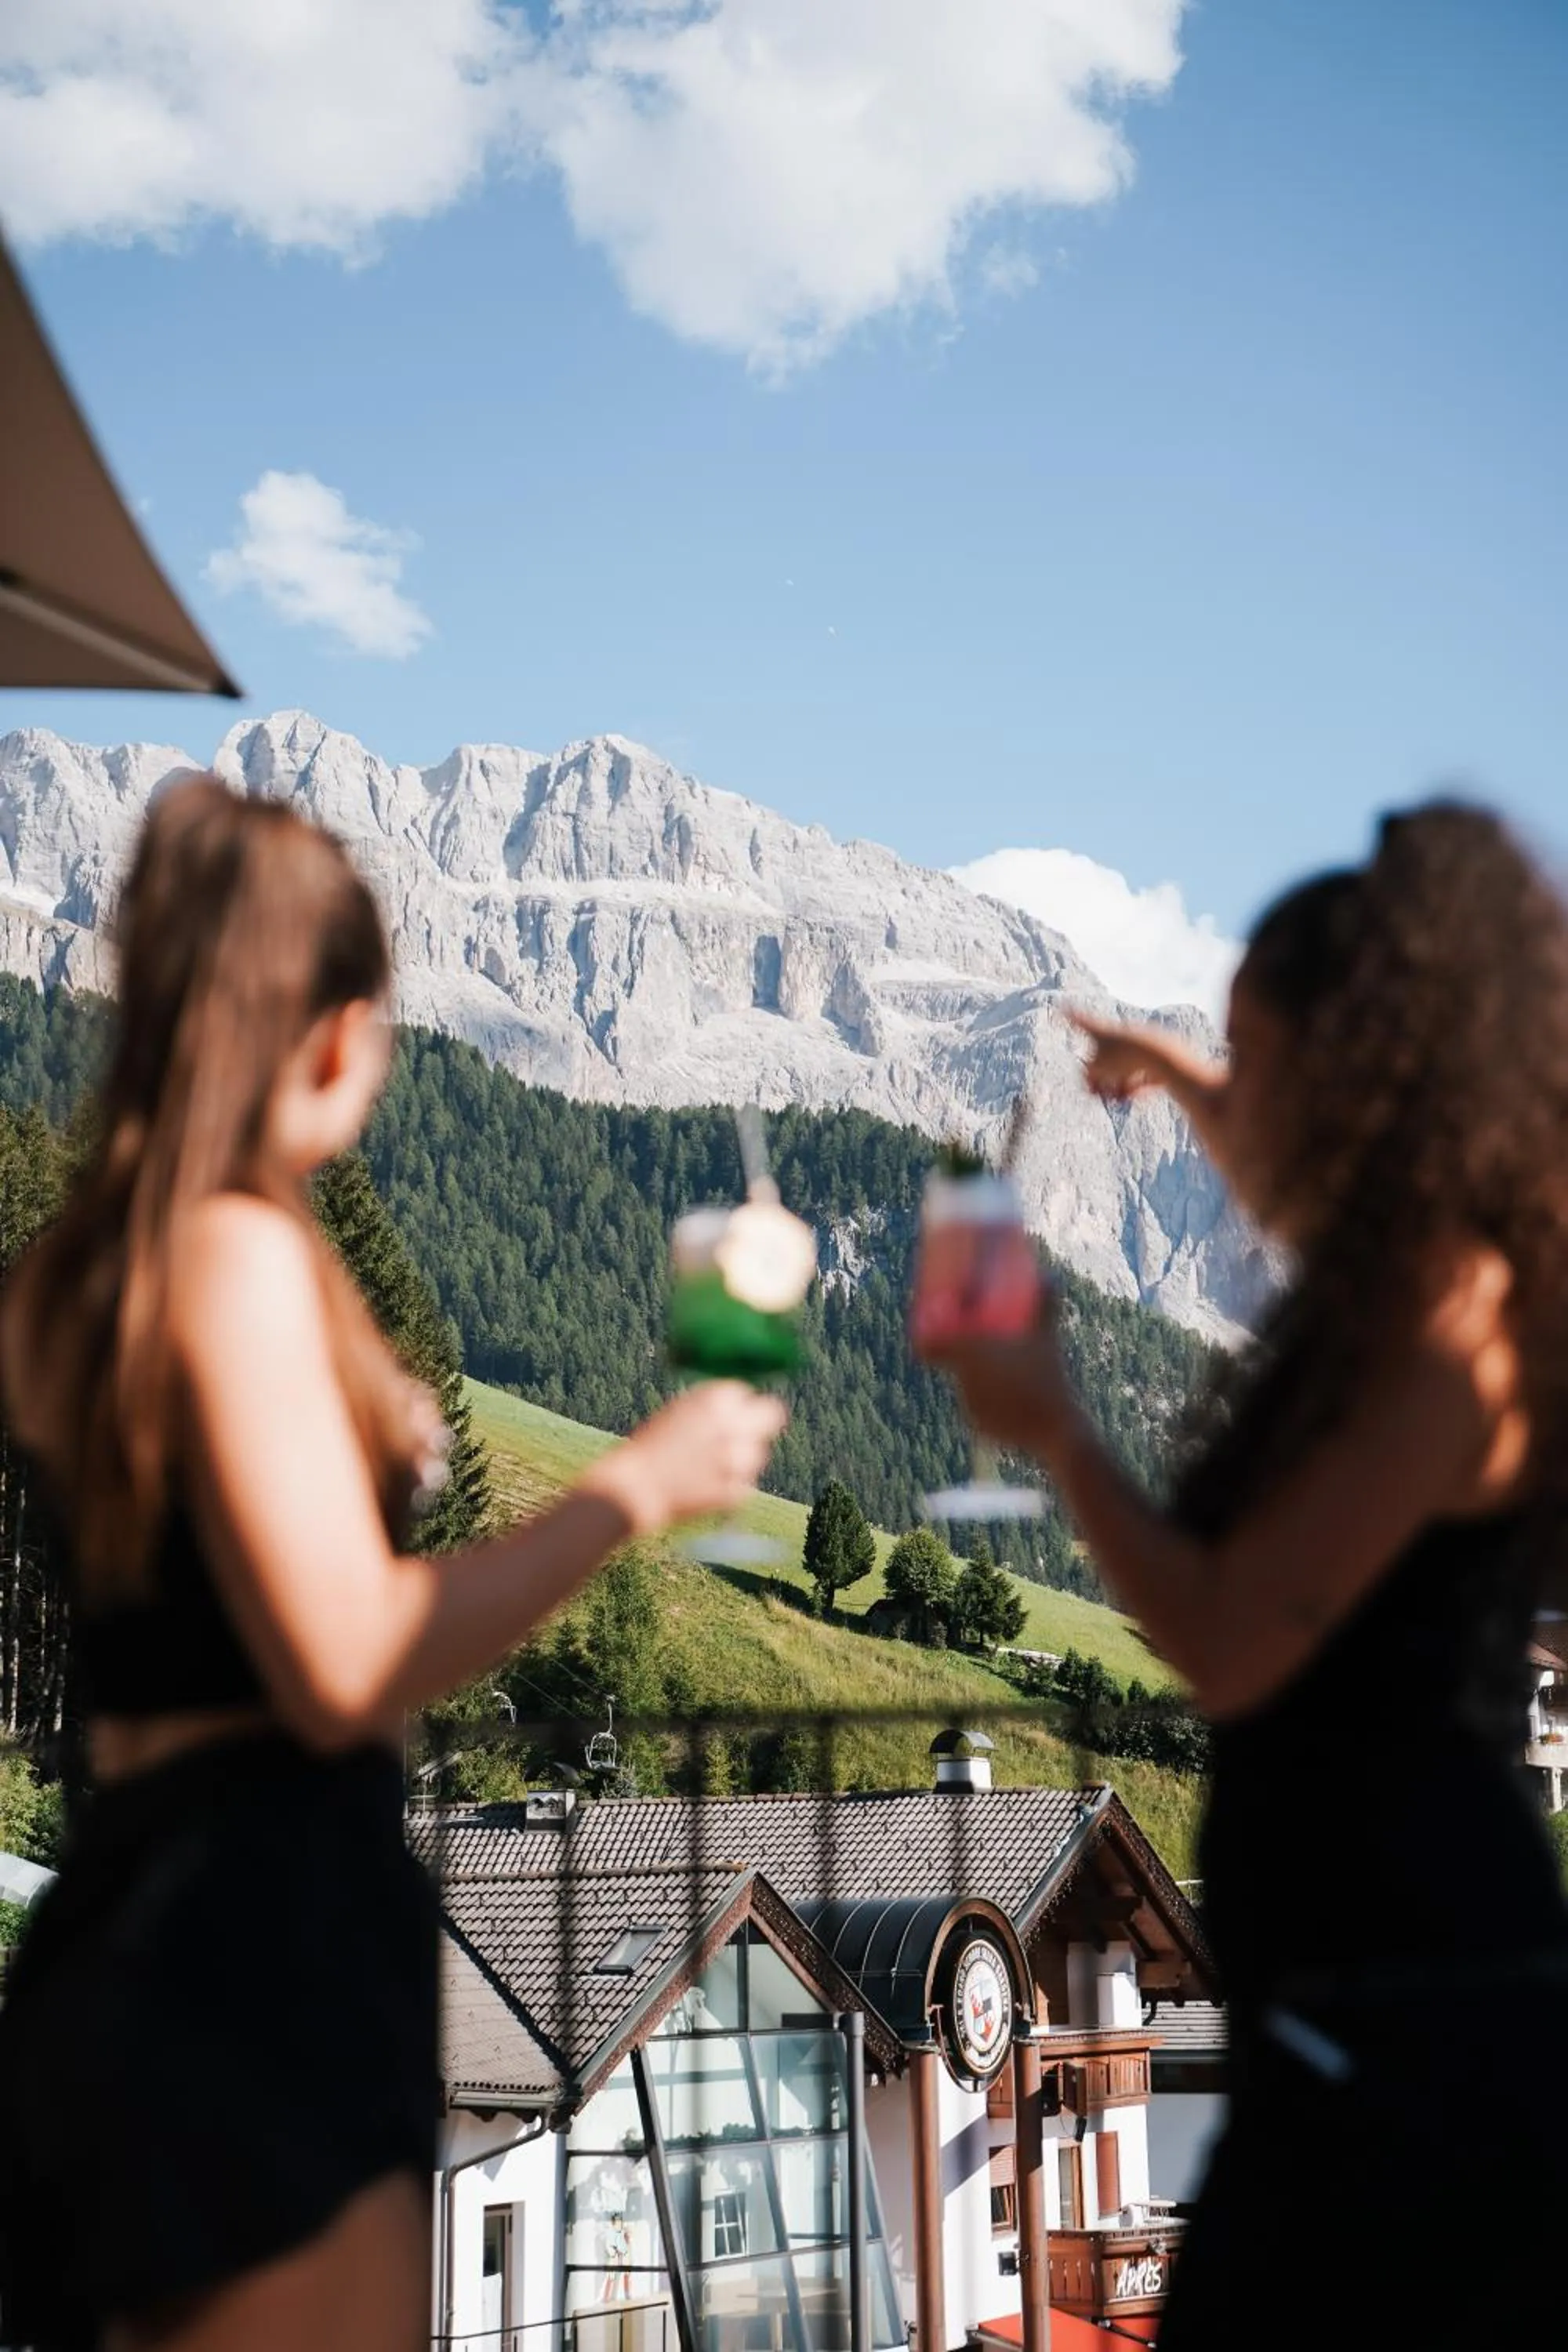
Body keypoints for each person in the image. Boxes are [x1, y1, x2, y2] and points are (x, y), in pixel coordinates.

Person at [0, 776, 785, 2352]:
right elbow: (345, 1654)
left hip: (129, 1909)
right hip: (263, 1931)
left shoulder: (75, 1275)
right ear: (338, 1030)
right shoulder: (235, 1253)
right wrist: (634, 1487)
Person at [920, 802, 1568, 2344]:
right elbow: (1303, 1183)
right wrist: (1188, 1076)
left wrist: (1054, 1426)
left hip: (1416, 2009)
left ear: (1354, 1082)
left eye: (1255, 1057)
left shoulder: (1447, 1317)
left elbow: (1233, 1641)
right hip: (1359, 2000)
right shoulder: (1417, 1258)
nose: (1237, 1097)